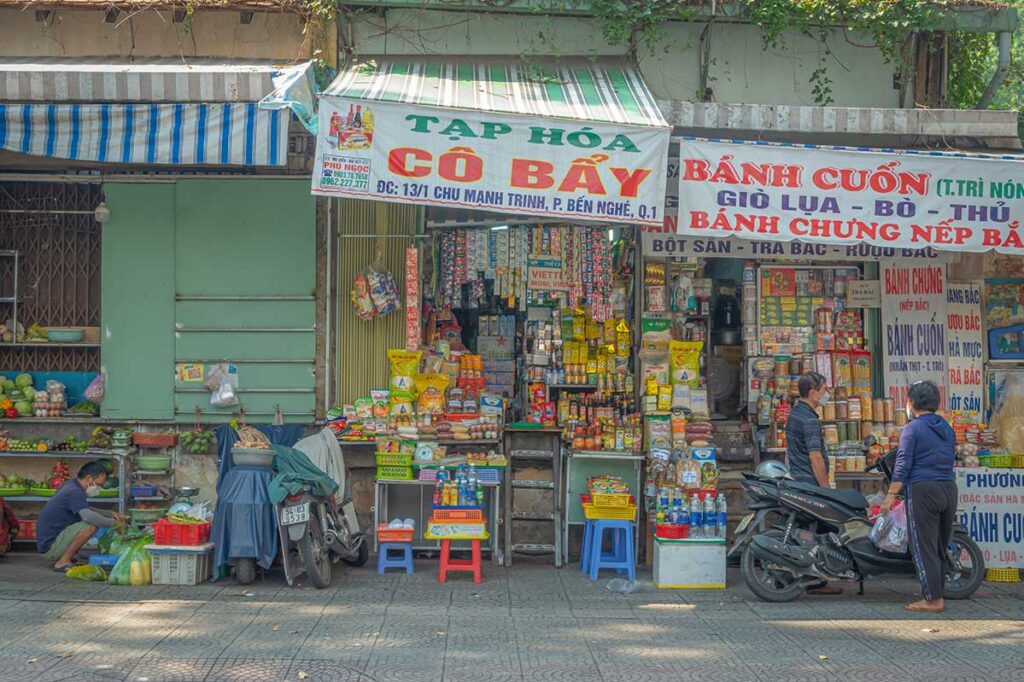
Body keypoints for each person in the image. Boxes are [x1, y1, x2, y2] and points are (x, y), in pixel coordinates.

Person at [880, 380, 957, 613]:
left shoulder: (912, 428)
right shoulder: (946, 427)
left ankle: (933, 600)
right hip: (948, 487)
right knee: (939, 546)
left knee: (924, 546)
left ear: (911, 403)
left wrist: (890, 496)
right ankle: (937, 593)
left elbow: (902, 464)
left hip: (924, 489)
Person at [36, 460, 123, 572]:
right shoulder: (74, 491)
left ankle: (67, 557)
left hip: (50, 543)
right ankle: (62, 562)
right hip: (50, 548)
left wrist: (109, 513)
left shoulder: (71, 485)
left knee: (89, 523)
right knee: (89, 526)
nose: (99, 488)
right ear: (89, 479)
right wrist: (113, 523)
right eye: (99, 484)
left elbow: (84, 509)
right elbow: (88, 517)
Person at [785, 372, 831, 488]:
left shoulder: (795, 413)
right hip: (810, 484)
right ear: (813, 393)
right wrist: (826, 489)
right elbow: (815, 457)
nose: (828, 393)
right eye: (825, 389)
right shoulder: (810, 420)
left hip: (797, 479)